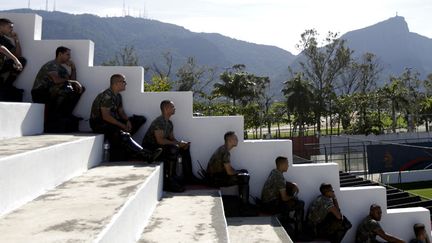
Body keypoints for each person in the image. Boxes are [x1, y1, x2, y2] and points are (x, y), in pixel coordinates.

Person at [90, 73, 161, 163]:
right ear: (116, 83)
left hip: (110, 121)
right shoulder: (107, 95)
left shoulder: (118, 96)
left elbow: (121, 111)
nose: (125, 83)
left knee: (140, 120)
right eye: (123, 81)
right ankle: (146, 155)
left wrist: (127, 121)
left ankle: (127, 143)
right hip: (99, 123)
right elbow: (105, 116)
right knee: (123, 134)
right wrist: (122, 125)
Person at [142, 100, 201, 192]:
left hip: (161, 146)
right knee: (173, 149)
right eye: (172, 107)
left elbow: (172, 139)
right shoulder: (159, 121)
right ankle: (169, 182)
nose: (175, 108)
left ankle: (189, 177)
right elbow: (160, 140)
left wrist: (181, 144)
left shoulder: (169, 123)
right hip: (151, 148)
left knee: (185, 147)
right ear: (166, 108)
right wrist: (177, 144)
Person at [31, 46, 85, 132]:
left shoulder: (62, 69)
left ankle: (65, 114)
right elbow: (56, 80)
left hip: (52, 91)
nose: (69, 57)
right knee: (66, 87)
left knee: (78, 89)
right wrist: (72, 82)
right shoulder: (51, 65)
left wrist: (73, 68)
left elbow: (73, 81)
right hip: (40, 92)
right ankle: (56, 115)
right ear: (60, 54)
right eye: (67, 54)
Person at [261, 156, 305, 238]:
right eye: (287, 164)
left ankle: (286, 219)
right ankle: (299, 232)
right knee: (300, 203)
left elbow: (282, 183)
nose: (288, 166)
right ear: (282, 165)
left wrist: (292, 184)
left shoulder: (274, 172)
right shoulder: (279, 177)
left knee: (291, 198)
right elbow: (284, 198)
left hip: (266, 202)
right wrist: (293, 197)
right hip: (270, 205)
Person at [206, 131, 250, 205]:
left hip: (214, 176)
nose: (237, 140)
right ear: (229, 140)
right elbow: (229, 172)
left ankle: (242, 201)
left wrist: (239, 171)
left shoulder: (223, 148)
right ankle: (244, 205)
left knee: (243, 172)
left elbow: (228, 168)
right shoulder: (225, 152)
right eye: (235, 138)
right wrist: (239, 172)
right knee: (244, 177)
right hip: (214, 179)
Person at [0, 18, 26, 101]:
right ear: (1, 26)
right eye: (10, 27)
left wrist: (16, 40)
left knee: (22, 60)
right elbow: (1, 48)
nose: (11, 30)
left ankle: (6, 86)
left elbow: (18, 55)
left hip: (1, 67)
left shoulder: (5, 40)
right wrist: (15, 59)